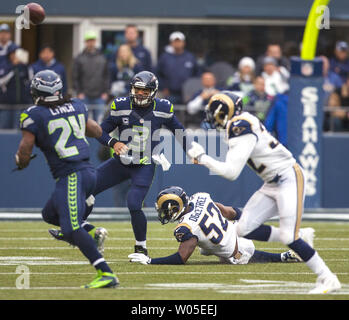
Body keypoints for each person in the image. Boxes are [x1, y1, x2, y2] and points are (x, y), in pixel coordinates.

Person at [187, 91, 341, 294]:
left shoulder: (238, 126)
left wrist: (202, 157)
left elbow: (231, 173)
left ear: (222, 111)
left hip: (288, 178)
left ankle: (327, 278)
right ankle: (301, 236)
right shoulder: (239, 124)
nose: (209, 116)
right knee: (243, 229)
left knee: (289, 237)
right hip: (272, 182)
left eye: (212, 111)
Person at [15, 70, 118, 289]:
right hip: (89, 172)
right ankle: (91, 231)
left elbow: (26, 148)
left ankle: (106, 274)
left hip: (72, 175)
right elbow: (96, 130)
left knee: (70, 229)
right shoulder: (77, 105)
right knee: (50, 214)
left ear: (36, 91)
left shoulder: (33, 114)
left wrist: (21, 161)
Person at [85, 71, 186, 256]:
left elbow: (179, 131)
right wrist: (113, 142)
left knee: (133, 203)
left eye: (145, 91)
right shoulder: (120, 105)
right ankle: (79, 231)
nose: (140, 94)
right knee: (87, 188)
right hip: (120, 162)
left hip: (144, 165)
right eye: (137, 89)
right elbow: (100, 131)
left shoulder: (162, 108)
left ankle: (141, 247)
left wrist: (194, 153)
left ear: (153, 92)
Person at [128, 186, 314, 265]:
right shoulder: (200, 197)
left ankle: (284, 256)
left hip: (238, 248)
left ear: (175, 207)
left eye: (164, 209)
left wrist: (151, 261)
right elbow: (227, 211)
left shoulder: (185, 228)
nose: (163, 213)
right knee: (205, 248)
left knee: (235, 256)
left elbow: (181, 258)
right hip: (232, 228)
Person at [72, 30, 110, 124]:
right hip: (84, 96)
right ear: (85, 42)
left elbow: (107, 76)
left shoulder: (102, 57)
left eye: (92, 40)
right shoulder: (79, 58)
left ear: (95, 41)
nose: (91, 43)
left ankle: (100, 140)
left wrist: (106, 92)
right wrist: (79, 92)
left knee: (100, 123)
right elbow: (75, 76)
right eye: (89, 40)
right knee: (84, 122)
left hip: (100, 96)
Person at [156, 31, 200, 104]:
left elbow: (197, 74)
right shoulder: (165, 57)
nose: (177, 43)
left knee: (187, 114)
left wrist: (193, 89)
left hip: (188, 94)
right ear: (171, 43)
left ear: (184, 43)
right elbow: (157, 73)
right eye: (175, 41)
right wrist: (163, 87)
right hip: (170, 93)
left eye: (179, 41)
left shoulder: (190, 57)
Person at [0, 45, 31, 129]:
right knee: (4, 130)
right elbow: (2, 80)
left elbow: (30, 80)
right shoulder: (4, 66)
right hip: (5, 106)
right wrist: (13, 66)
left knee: (19, 130)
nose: (15, 55)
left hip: (21, 105)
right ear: (9, 54)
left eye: (16, 53)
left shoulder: (24, 67)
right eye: (13, 53)